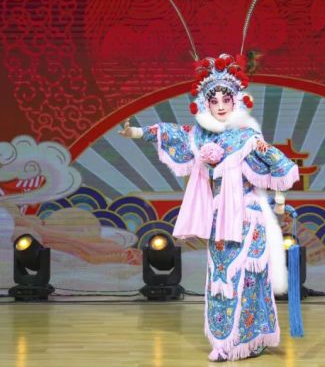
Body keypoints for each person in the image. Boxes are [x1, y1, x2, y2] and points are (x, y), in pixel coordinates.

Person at [120, 53, 299, 361]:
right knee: (221, 279)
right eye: (213, 100)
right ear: (204, 103)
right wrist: (136, 132)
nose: (220, 105)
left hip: (248, 218)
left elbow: (278, 165)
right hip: (220, 218)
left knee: (250, 280)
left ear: (236, 101)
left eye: (225, 99)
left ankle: (251, 340)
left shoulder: (247, 136)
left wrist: (279, 198)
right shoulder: (200, 136)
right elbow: (171, 132)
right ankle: (223, 342)